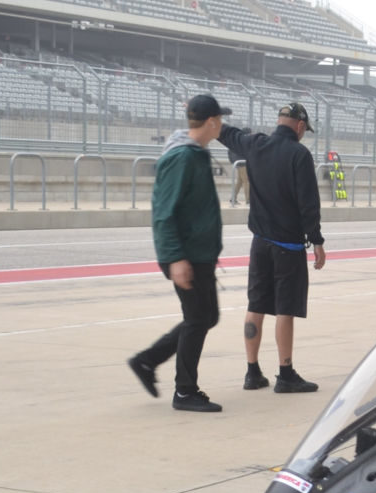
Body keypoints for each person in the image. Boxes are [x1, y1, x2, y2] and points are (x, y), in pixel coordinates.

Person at [128, 94, 227, 414]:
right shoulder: (182, 157)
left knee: (206, 317)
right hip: (186, 255)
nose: (222, 125)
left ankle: (147, 361)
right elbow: (163, 213)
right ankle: (184, 391)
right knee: (199, 318)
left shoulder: (195, 154)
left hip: (199, 252)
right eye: (219, 119)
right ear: (211, 122)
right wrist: (175, 258)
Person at [219, 102, 325, 394]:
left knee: (256, 305)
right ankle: (286, 373)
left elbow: (226, 134)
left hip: (259, 244)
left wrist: (207, 114)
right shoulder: (299, 155)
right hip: (288, 247)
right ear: (300, 126)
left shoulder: (255, 144)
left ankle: (252, 372)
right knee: (284, 311)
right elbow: (308, 204)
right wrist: (317, 240)